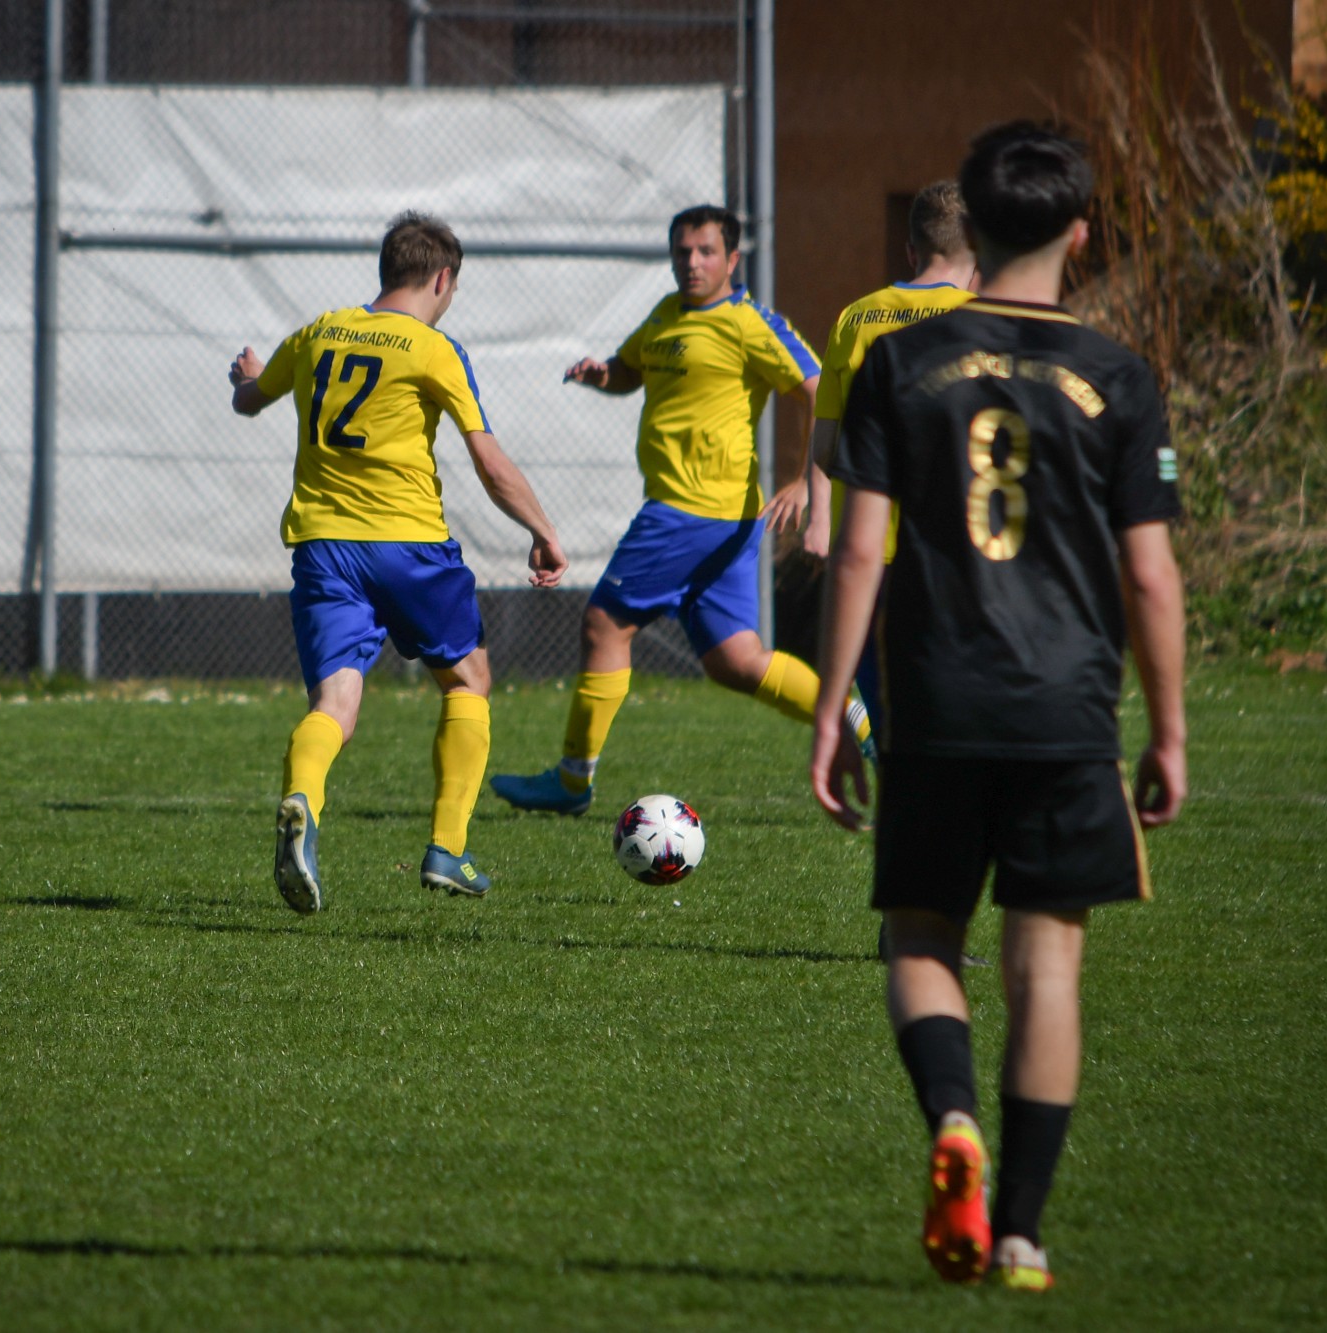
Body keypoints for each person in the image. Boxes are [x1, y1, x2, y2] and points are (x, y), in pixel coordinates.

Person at [809, 121, 1187, 1291]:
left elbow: (857, 554)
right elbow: (1147, 574)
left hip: (932, 702)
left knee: (921, 935)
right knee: (1046, 972)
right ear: (1080, 230)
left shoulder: (897, 363)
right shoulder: (1119, 377)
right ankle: (1019, 1232)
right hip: (1063, 712)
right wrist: (1168, 730)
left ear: (964, 224)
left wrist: (833, 706)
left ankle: (951, 1125)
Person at [229, 211, 568, 914]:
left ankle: (302, 799)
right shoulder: (433, 349)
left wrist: (253, 373)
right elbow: (489, 461)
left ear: (386, 269)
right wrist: (541, 528)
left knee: (335, 705)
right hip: (409, 545)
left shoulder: (320, 331)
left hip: (323, 547)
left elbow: (249, 400)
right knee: (469, 678)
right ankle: (447, 848)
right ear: (443, 279)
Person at [490, 204, 867, 818]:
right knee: (736, 661)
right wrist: (602, 374)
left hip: (688, 511)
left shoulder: (749, 323)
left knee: (603, 625)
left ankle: (571, 780)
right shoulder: (666, 315)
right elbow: (632, 370)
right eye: (683, 252)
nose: (692, 263)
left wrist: (805, 482)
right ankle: (853, 714)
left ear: (733, 259)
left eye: (706, 252)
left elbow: (822, 390)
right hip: (720, 521)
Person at [797, 180, 978, 741]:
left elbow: (825, 444)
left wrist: (819, 518)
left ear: (909, 251)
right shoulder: (989, 322)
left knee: (882, 678)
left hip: (871, 545)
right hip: (963, 544)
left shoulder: (857, 319)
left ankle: (893, 763)